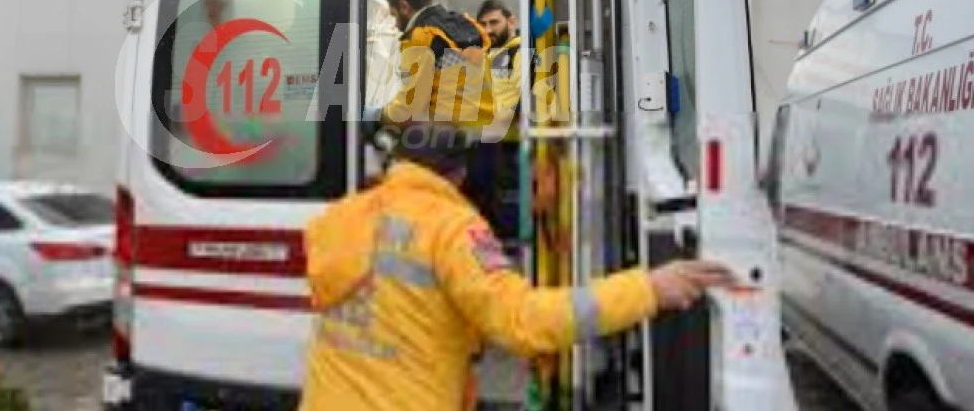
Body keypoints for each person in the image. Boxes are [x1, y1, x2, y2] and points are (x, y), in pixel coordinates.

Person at [297, 139, 735, 411]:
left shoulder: (346, 213)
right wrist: (648, 288)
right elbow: (521, 321)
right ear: (461, 174)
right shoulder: (452, 229)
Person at [368, 0, 496, 177]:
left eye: (394, 16)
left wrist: (376, 117)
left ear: (404, 6)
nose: (395, 25)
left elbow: (409, 109)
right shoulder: (467, 25)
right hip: (487, 134)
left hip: (449, 141)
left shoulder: (420, 35)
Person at [468, 0, 525, 239]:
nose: (489, 29)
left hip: (508, 148)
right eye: (483, 24)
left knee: (504, 217)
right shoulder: (488, 57)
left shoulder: (521, 53)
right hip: (486, 144)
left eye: (494, 22)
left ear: (511, 21)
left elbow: (513, 104)